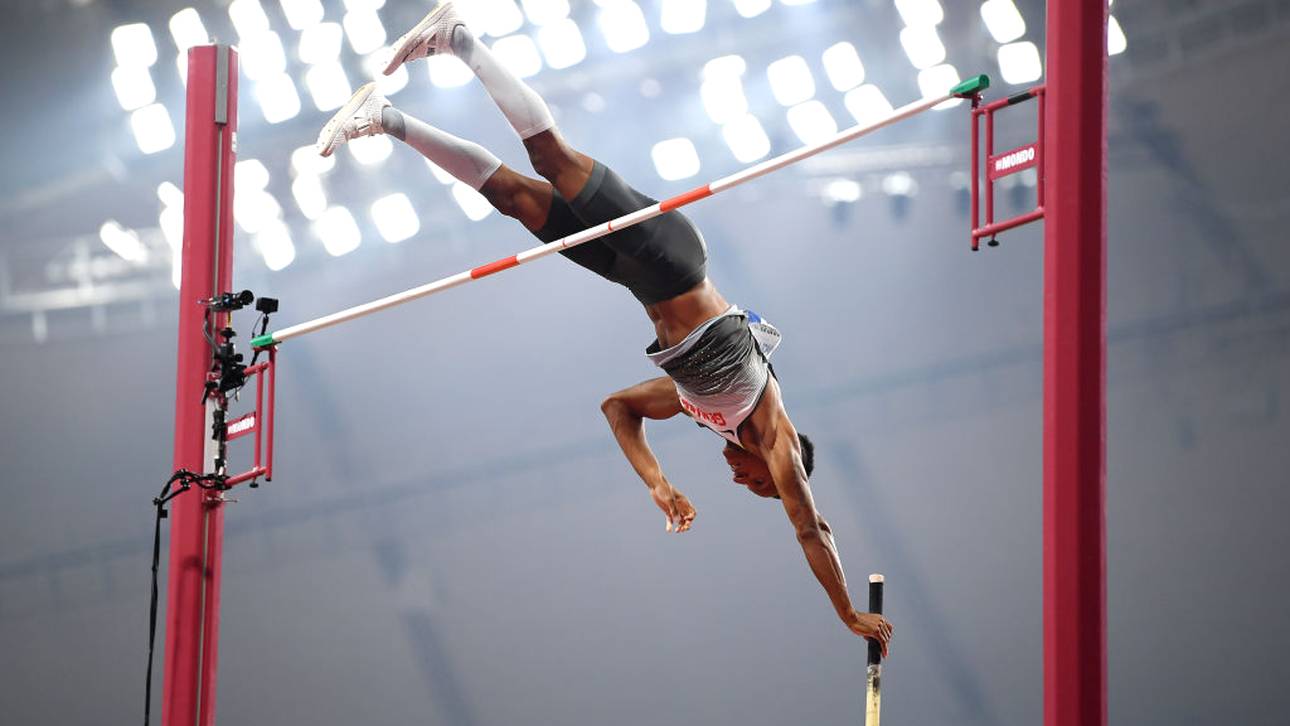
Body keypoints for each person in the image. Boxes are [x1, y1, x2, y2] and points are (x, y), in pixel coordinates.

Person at [317, 1, 892, 655]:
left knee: (513, 199)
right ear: (777, 465)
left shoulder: (703, 409)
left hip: (637, 277)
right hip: (673, 259)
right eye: (760, 483)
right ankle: (459, 37)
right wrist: (847, 614)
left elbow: (618, 407)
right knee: (552, 158)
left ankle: (385, 118)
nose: (745, 482)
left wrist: (655, 481)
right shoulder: (774, 431)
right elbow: (809, 526)